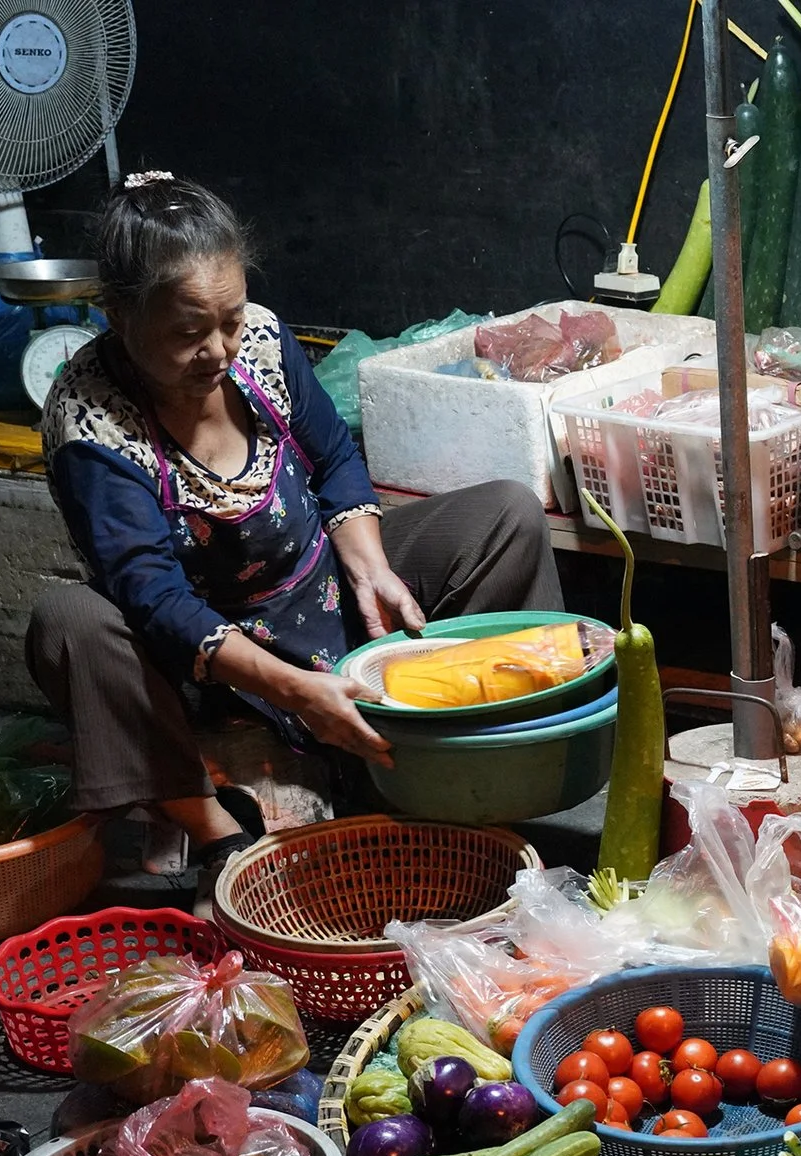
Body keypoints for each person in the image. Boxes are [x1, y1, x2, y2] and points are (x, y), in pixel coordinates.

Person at [27, 172, 560, 905]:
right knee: (72, 622)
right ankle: (219, 834)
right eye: (188, 333)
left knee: (506, 516)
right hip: (203, 654)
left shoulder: (266, 342)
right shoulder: (91, 422)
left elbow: (336, 458)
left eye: (231, 321)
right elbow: (151, 597)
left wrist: (370, 567)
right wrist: (298, 692)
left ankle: (482, 768)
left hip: (316, 592)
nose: (219, 351)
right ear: (118, 314)